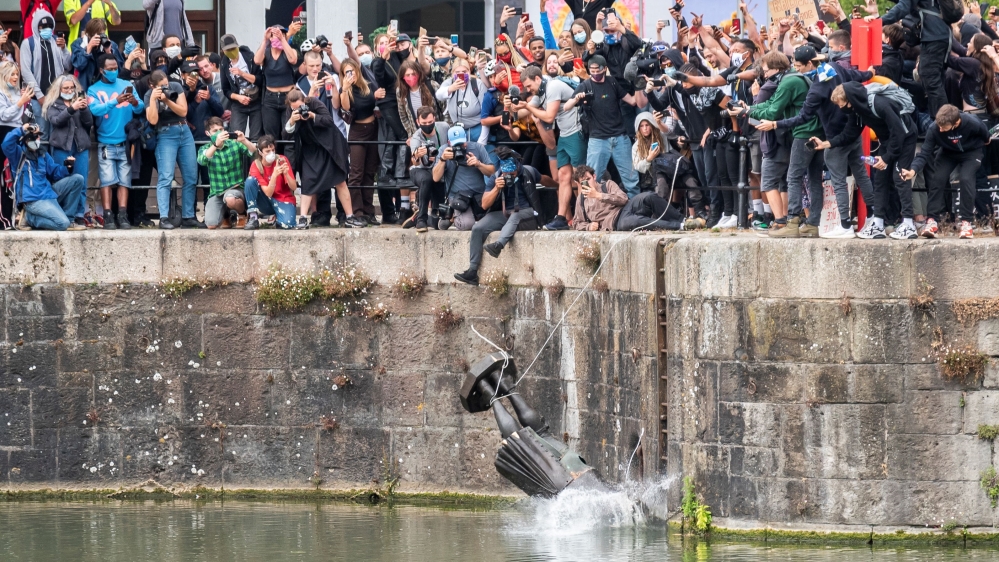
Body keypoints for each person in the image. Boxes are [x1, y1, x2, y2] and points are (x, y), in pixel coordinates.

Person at [761, 43, 875, 239]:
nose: (796, 69)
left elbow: (803, 117)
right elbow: (856, 76)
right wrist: (870, 73)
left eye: (798, 66)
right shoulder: (835, 67)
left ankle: (837, 225)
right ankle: (873, 217)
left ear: (808, 64)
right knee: (857, 175)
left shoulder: (816, 88)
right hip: (853, 131)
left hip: (833, 138)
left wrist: (775, 124)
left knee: (818, 179)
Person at [813, 82, 919, 240]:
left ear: (850, 101)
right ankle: (878, 223)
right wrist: (826, 143)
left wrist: (887, 157)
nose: (841, 109)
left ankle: (909, 224)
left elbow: (898, 132)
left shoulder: (878, 104)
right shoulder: (858, 111)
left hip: (906, 137)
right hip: (887, 140)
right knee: (881, 180)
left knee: (900, 176)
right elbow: (849, 134)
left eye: (842, 105)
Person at [743, 51, 821, 238]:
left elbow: (772, 112)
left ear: (777, 69)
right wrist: (748, 109)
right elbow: (770, 103)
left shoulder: (788, 82)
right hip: (816, 132)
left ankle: (791, 223)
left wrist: (748, 112)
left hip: (803, 133)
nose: (765, 75)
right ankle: (812, 224)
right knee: (813, 178)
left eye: (766, 71)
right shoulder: (793, 78)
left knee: (793, 177)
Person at [900, 105, 990, 239]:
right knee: (937, 179)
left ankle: (966, 222)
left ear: (956, 123)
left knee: (966, 178)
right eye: (939, 126)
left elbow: (986, 136)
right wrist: (913, 170)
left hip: (971, 152)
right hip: (948, 153)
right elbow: (924, 153)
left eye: (944, 127)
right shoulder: (934, 128)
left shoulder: (972, 122)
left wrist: (983, 142)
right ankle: (932, 221)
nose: (940, 129)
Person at [454, 146, 540, 286]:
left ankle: (498, 245)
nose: (509, 175)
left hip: (528, 214)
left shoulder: (528, 171)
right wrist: (497, 188)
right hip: (506, 213)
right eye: (506, 172)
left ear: (517, 166)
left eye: (512, 172)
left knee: (516, 216)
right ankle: (472, 271)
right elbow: (484, 205)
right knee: (478, 228)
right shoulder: (496, 177)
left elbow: (547, 180)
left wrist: (557, 185)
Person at [516, 64, 584, 230]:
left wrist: (528, 107)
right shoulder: (540, 90)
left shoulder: (552, 87)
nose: (529, 90)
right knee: (563, 176)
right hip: (564, 135)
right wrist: (513, 107)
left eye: (529, 86)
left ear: (537, 79)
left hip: (576, 132)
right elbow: (522, 113)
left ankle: (584, 216)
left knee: (579, 176)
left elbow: (548, 116)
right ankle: (561, 217)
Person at [285, 89, 365, 228]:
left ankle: (350, 217)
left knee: (340, 181)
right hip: (310, 150)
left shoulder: (315, 103)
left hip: (330, 147)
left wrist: (312, 115)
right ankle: (303, 218)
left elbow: (328, 120)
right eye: (294, 108)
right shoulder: (291, 111)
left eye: (299, 107)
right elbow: (286, 135)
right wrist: (291, 121)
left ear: (304, 101)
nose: (298, 110)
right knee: (308, 183)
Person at [564, 55, 639, 202]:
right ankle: (589, 214)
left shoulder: (612, 82)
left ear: (604, 69)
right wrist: (576, 99)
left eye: (597, 70)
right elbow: (566, 107)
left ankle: (636, 209)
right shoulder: (585, 85)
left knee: (632, 180)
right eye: (591, 70)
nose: (594, 74)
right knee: (590, 180)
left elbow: (632, 101)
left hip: (620, 138)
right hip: (597, 140)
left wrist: (638, 83)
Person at [88, 54, 144, 229]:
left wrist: (134, 101)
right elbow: (95, 109)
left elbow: (141, 107)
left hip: (126, 142)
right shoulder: (93, 89)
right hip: (105, 142)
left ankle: (123, 215)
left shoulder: (127, 85)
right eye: (110, 69)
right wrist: (115, 101)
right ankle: (108, 216)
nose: (114, 71)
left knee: (124, 181)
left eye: (115, 68)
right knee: (106, 181)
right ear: (101, 70)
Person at [145, 69, 201, 229]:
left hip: (184, 130)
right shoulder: (149, 96)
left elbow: (183, 111)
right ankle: (164, 218)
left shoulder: (176, 86)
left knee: (191, 177)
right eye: (162, 86)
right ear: (152, 85)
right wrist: (155, 100)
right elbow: (153, 120)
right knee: (166, 177)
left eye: (166, 84)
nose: (166, 87)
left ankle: (188, 216)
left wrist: (167, 100)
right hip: (165, 133)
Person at [4, 122, 86, 230]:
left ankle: (69, 220)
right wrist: (22, 129)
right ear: (26, 138)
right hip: (32, 200)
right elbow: (6, 143)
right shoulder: (18, 153)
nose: (38, 139)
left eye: (39, 136)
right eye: (35, 136)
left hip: (48, 194)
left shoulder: (42, 154)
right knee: (62, 224)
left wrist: (68, 167)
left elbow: (55, 172)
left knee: (78, 179)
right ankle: (29, 218)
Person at [879, 0, 952, 118]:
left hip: (933, 37)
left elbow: (904, 6)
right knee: (933, 81)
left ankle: (942, 123)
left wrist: (880, 20)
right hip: (938, 35)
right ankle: (941, 122)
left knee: (931, 81)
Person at [371, 32, 415, 223]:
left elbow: (408, 59)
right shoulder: (376, 62)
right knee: (400, 135)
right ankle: (391, 174)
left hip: (400, 101)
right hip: (387, 103)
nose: (385, 45)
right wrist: (383, 55)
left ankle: (400, 176)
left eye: (386, 42)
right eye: (381, 43)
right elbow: (378, 76)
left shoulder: (398, 56)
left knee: (401, 138)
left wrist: (401, 43)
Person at [43, 74, 92, 228]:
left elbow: (89, 123)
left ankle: (78, 214)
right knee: (62, 180)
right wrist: (72, 108)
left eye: (72, 87)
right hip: (62, 147)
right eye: (66, 88)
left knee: (82, 180)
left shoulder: (80, 101)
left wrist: (83, 109)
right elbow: (56, 121)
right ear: (59, 89)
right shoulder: (53, 105)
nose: (69, 90)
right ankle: (62, 213)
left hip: (80, 146)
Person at [572, 165, 683, 231]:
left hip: (626, 208)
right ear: (579, 184)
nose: (588, 183)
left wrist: (599, 195)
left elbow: (623, 199)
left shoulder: (607, 185)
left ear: (594, 176)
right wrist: (589, 226)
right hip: (613, 222)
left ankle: (682, 219)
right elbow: (576, 223)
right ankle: (679, 226)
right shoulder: (581, 200)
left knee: (649, 196)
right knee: (634, 222)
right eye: (583, 182)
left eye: (589, 179)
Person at [431, 124, 495, 232]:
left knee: (490, 224)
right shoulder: (444, 150)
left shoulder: (477, 148)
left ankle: (454, 217)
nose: (460, 147)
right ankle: (453, 216)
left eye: (462, 143)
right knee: (466, 225)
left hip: (478, 194)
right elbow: (436, 178)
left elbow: (492, 172)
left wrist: (479, 164)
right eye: (457, 144)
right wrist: (442, 160)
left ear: (466, 139)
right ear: (449, 143)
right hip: (458, 197)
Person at [340, 59, 381, 226]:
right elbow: (346, 108)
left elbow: (375, 101)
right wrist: (345, 88)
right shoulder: (346, 90)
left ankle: (369, 211)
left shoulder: (368, 85)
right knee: (356, 174)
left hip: (373, 129)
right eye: (347, 72)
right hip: (357, 131)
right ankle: (357, 212)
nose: (351, 75)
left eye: (353, 71)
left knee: (369, 173)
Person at [197, 117, 257, 229]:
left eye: (221, 129)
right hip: (217, 192)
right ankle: (226, 215)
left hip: (236, 189)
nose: (219, 133)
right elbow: (202, 160)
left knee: (230, 198)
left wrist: (244, 140)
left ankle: (242, 214)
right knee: (211, 224)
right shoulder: (205, 148)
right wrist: (215, 145)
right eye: (215, 131)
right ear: (208, 133)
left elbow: (254, 152)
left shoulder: (234, 144)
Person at [20, 14, 70, 122]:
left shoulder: (57, 41)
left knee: (56, 132)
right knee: (42, 133)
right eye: (43, 26)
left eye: (50, 26)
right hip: (38, 98)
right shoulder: (28, 43)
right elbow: (26, 72)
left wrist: (64, 49)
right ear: (36, 26)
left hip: (58, 97)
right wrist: (39, 96)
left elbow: (68, 65)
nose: (47, 28)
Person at [408, 106, 450, 232]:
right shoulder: (416, 137)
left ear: (435, 119)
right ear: (418, 122)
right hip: (420, 169)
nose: (427, 125)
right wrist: (418, 155)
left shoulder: (444, 127)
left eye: (430, 123)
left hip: (438, 169)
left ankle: (425, 215)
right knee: (427, 179)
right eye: (424, 123)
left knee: (438, 221)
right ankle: (421, 219)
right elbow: (414, 161)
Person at [255, 25, 299, 141]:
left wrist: (283, 40)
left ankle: (289, 158)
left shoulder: (289, 50)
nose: (278, 37)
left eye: (281, 34)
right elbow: (257, 60)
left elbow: (293, 60)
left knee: (289, 132)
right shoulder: (267, 53)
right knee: (271, 134)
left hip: (288, 96)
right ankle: (274, 157)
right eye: (275, 35)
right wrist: (265, 40)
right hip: (270, 98)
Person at [245, 135, 297, 229]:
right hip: (266, 200)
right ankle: (253, 217)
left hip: (283, 199)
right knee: (250, 181)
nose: (271, 153)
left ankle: (277, 218)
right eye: (267, 151)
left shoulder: (282, 160)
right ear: (260, 152)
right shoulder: (256, 165)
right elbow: (268, 193)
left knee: (288, 224)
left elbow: (294, 187)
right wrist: (274, 175)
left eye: (273, 150)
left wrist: (286, 174)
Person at [220, 33, 263, 140]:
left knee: (256, 137)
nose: (231, 52)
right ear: (223, 51)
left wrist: (242, 73)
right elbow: (226, 90)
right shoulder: (224, 63)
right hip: (238, 103)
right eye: (228, 50)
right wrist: (238, 97)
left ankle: (254, 157)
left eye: (233, 48)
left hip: (256, 100)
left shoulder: (249, 57)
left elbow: (260, 79)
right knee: (236, 136)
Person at [71, 18, 123, 91]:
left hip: (105, 88)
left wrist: (109, 53)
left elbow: (119, 70)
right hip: (84, 87)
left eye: (101, 34)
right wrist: (88, 49)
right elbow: (79, 65)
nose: (99, 38)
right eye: (96, 35)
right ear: (88, 34)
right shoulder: (78, 44)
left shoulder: (111, 45)